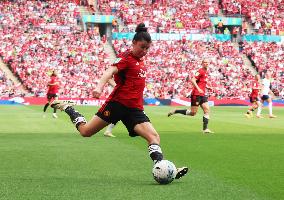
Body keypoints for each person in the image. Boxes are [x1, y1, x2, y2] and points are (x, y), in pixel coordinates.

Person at [51, 23, 188, 181]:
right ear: (134, 43)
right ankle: (69, 108)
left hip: (134, 109)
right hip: (117, 105)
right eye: (142, 47)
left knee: (154, 137)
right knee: (86, 132)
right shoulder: (125, 58)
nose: (144, 51)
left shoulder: (139, 60)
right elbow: (110, 71)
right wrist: (99, 86)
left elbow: (123, 81)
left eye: (147, 49)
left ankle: (164, 167)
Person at [168, 59, 214, 134]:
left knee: (207, 110)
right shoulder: (200, 71)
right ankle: (176, 111)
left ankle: (205, 129)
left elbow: (201, 83)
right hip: (196, 94)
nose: (207, 63)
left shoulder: (206, 72)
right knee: (193, 113)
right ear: (202, 63)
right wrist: (198, 89)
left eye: (208, 62)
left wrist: (208, 87)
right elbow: (193, 79)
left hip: (202, 95)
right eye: (205, 62)